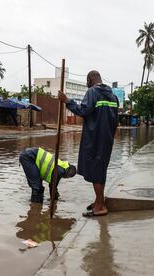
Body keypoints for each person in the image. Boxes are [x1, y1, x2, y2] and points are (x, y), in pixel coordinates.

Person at [58, 70, 119, 217]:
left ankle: (101, 207)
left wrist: (67, 101)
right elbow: (116, 120)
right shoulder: (113, 96)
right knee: (101, 169)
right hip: (107, 139)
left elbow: (83, 110)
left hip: (94, 138)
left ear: (89, 80)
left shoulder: (92, 92)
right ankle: (99, 201)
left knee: (95, 171)